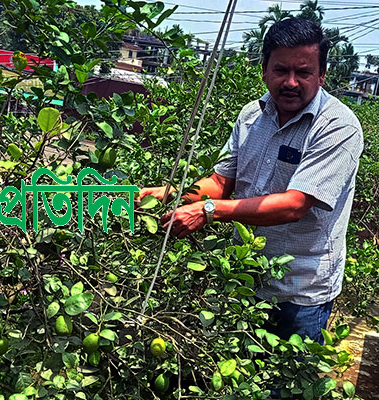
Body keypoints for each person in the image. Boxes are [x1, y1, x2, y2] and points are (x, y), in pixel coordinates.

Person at [139, 18, 363, 344]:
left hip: (299, 293)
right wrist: (172, 194)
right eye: (280, 70)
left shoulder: (338, 127)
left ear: (321, 75)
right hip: (243, 278)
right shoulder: (251, 117)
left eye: (303, 73)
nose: (290, 82)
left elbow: (294, 205)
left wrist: (209, 211)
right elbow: (219, 181)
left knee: (283, 392)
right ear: (264, 70)